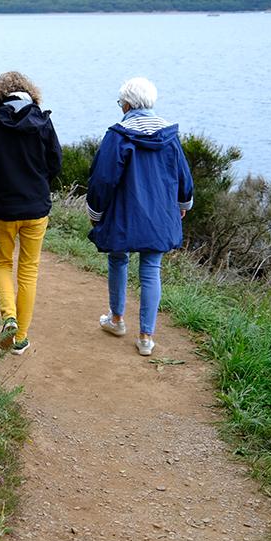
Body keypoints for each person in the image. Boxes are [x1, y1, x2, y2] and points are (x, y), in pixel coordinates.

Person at [86, 76, 194, 356]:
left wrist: (95, 212)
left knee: (118, 259)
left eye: (121, 102)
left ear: (127, 104)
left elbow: (103, 178)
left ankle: (117, 320)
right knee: (150, 270)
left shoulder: (118, 135)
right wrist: (184, 203)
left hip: (124, 214)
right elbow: (182, 173)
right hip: (159, 214)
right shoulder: (169, 135)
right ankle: (146, 338)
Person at [0, 71, 62, 355]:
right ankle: (20, 337)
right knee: (29, 270)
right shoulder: (43, 121)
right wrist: (41, 185)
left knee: (1, 264)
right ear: (28, 93)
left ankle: (8, 317)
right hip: (36, 208)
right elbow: (55, 162)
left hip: (2, 208)